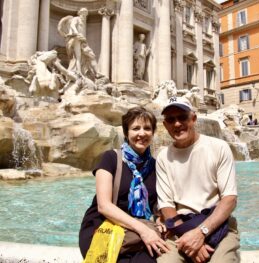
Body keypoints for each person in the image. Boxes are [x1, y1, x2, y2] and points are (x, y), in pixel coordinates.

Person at [79, 107, 169, 262]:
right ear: (127, 133)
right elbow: (104, 206)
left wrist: (161, 219)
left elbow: (156, 204)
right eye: (135, 128)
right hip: (104, 226)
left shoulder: (155, 165)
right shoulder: (110, 158)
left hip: (138, 231)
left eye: (147, 128)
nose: (142, 133)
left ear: (153, 133)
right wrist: (143, 231)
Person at [156, 96, 240, 263]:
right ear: (165, 125)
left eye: (182, 117)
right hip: (180, 228)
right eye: (171, 120)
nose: (177, 124)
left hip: (219, 225)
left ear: (193, 119)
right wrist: (189, 237)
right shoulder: (163, 157)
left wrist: (201, 232)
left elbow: (229, 199)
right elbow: (166, 206)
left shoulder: (219, 147)